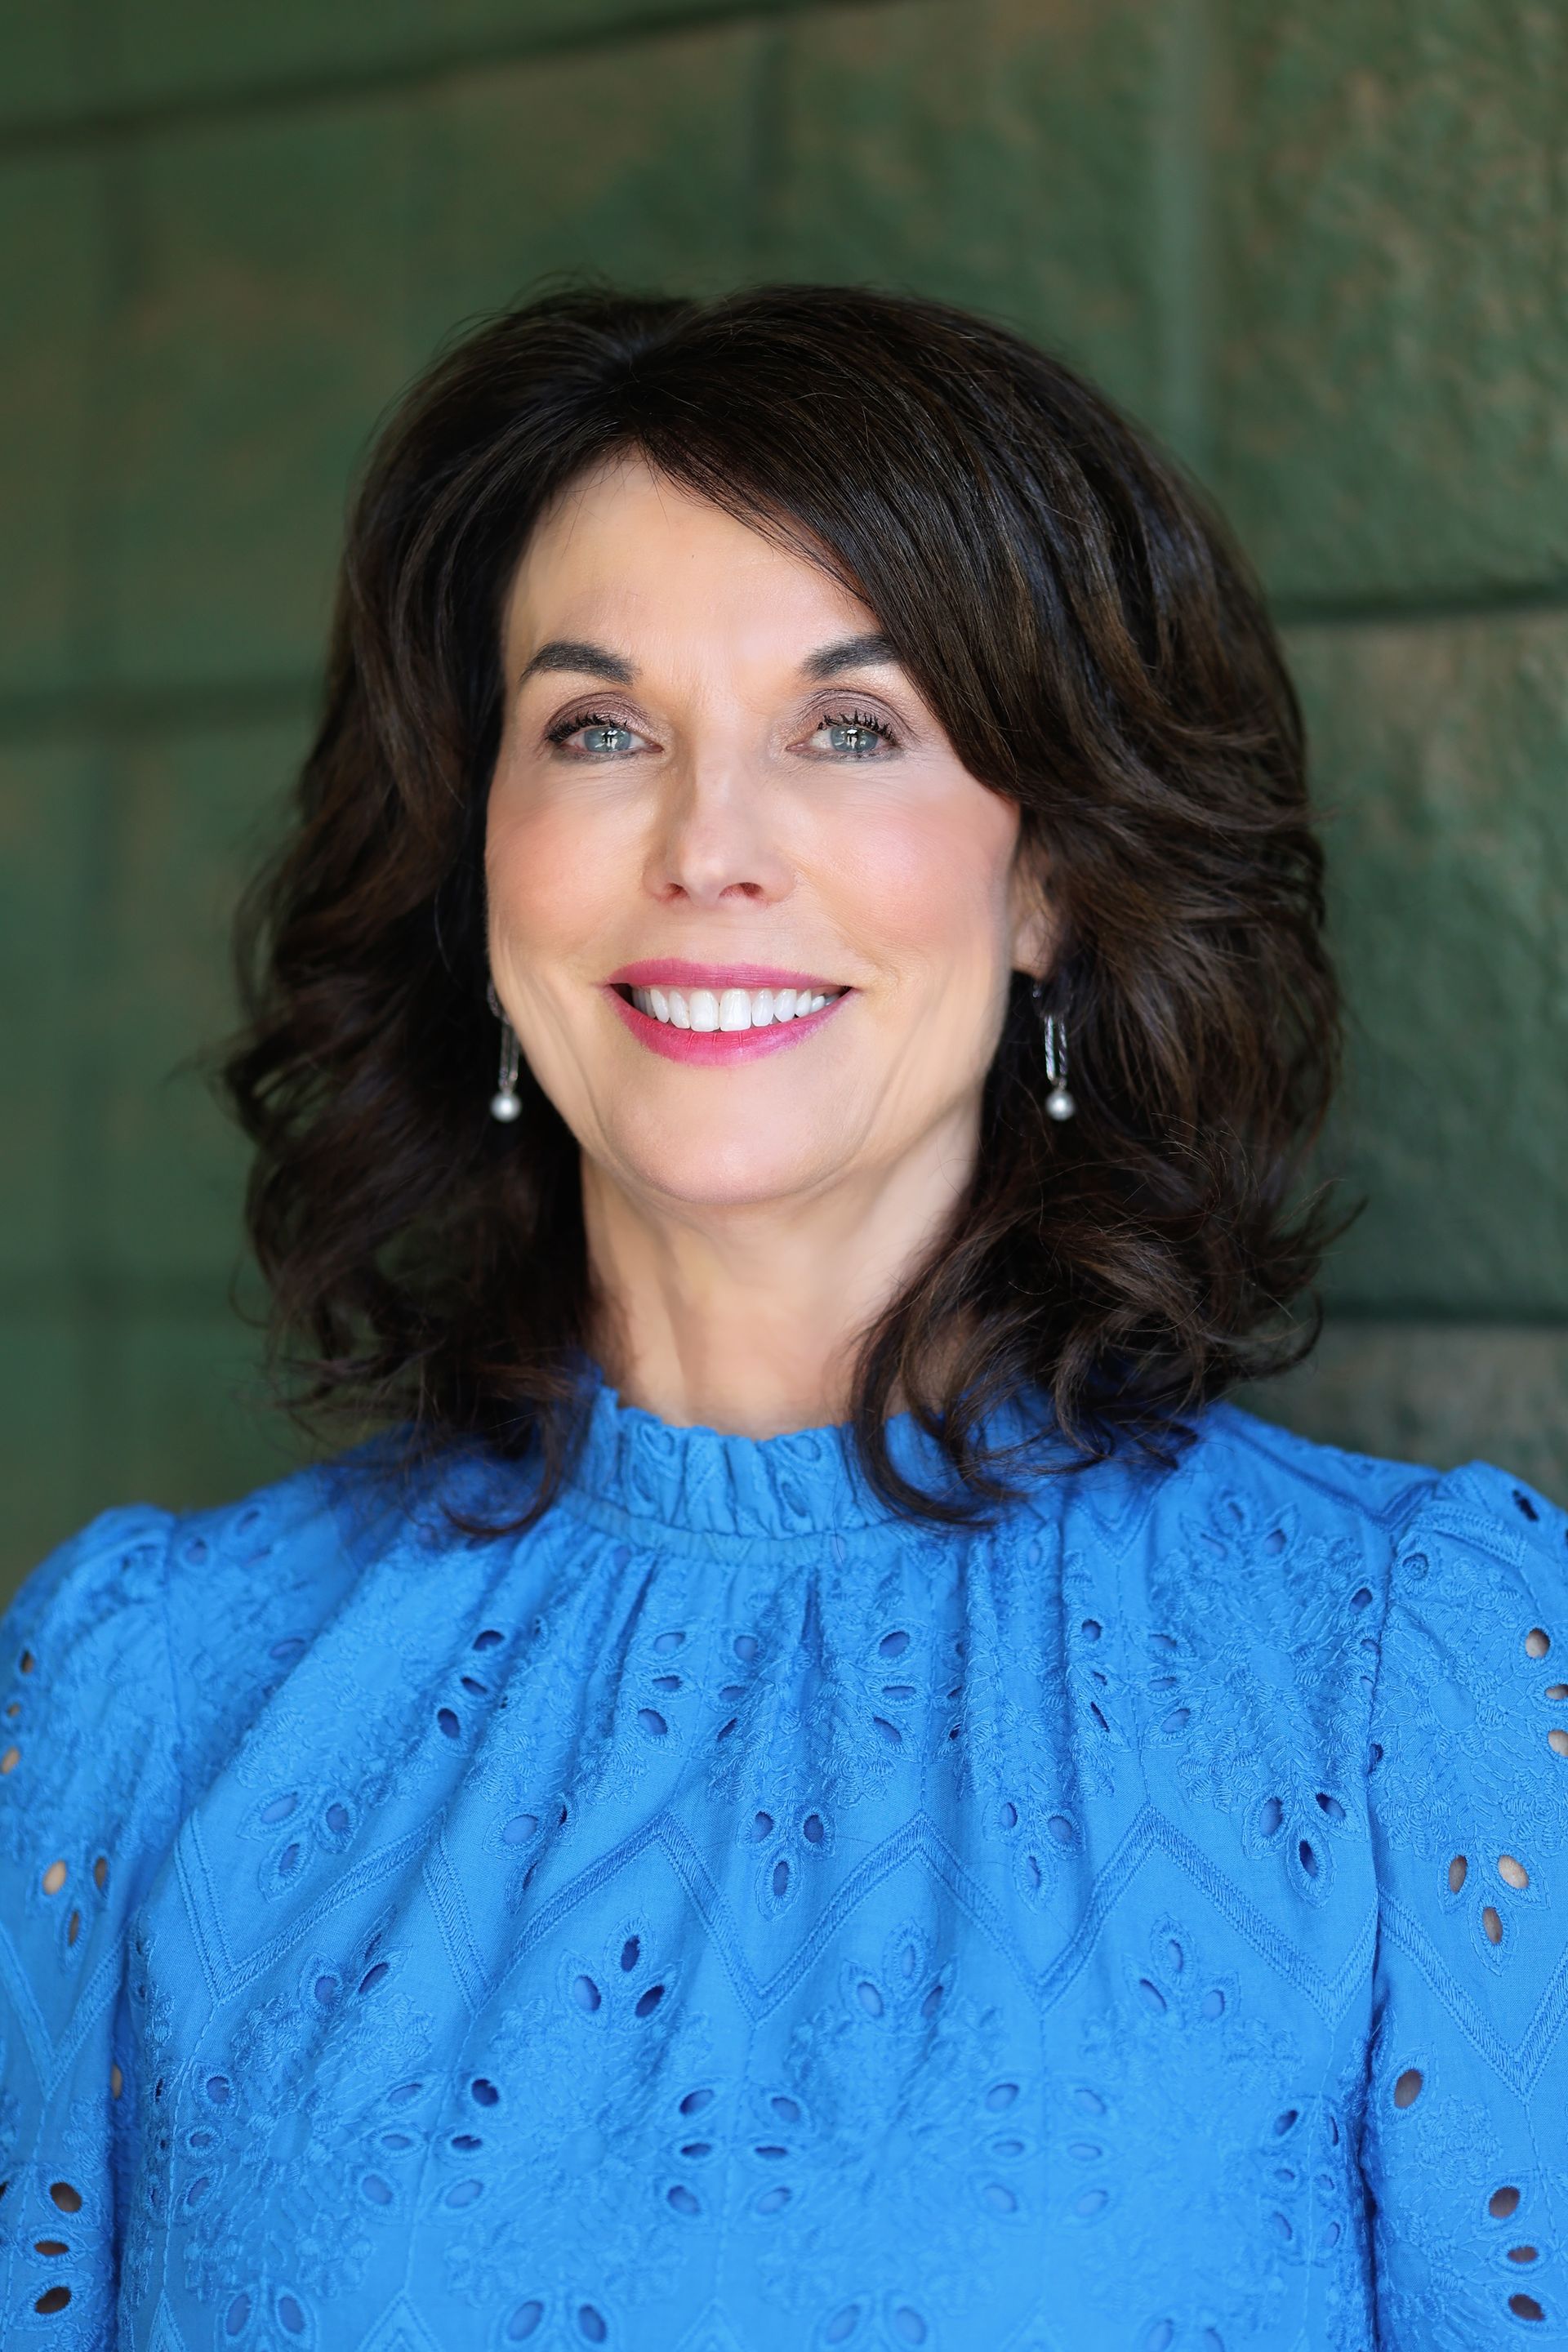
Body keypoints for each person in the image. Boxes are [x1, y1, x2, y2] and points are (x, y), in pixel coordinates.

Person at [1, 285, 1561, 2352]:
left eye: (852, 727)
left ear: (1049, 881)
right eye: (599, 728)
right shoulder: (143, 1695)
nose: (705, 847)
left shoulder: (1407, 1691)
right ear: (480, 870)